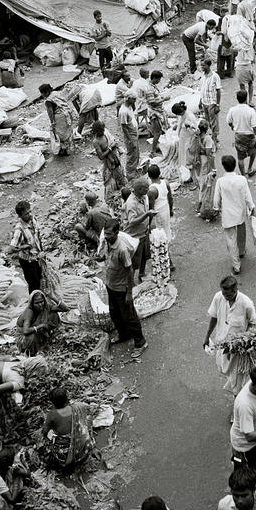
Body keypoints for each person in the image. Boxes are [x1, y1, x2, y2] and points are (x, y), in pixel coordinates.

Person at [0, 355, 48, 446]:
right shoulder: (19, 382)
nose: (36, 378)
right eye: (36, 375)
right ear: (32, 371)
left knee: (5, 401)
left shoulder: (20, 362)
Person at [204, 275, 256, 396]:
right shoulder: (219, 297)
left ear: (235, 290)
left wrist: (243, 341)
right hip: (222, 344)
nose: (225, 298)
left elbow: (253, 323)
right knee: (225, 369)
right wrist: (207, 336)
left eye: (228, 295)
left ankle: (238, 399)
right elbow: (214, 317)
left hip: (238, 350)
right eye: (223, 294)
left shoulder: (246, 304)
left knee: (237, 378)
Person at [101, 221, 148, 352]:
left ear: (116, 233)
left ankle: (141, 342)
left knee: (129, 316)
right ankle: (124, 335)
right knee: (115, 313)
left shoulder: (122, 249)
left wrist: (129, 292)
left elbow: (129, 270)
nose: (106, 236)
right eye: (105, 233)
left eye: (109, 234)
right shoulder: (109, 244)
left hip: (121, 289)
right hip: (111, 286)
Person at [214, 154, 256, 274]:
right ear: (234, 165)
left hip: (228, 215)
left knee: (231, 240)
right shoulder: (242, 179)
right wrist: (251, 207)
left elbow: (216, 199)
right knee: (242, 231)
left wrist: (216, 208)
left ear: (223, 166)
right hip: (240, 211)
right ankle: (242, 250)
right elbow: (248, 196)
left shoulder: (220, 181)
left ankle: (236, 265)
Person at [40, 385, 95, 472]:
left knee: (43, 443)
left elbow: (44, 432)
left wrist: (47, 439)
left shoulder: (52, 415)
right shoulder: (77, 407)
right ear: (67, 399)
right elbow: (89, 412)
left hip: (65, 457)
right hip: (84, 449)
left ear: (53, 403)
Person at [4, 201, 45, 294]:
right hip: (28, 262)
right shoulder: (19, 228)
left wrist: (42, 251)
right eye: (26, 214)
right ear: (20, 216)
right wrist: (25, 246)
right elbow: (11, 248)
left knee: (40, 280)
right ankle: (34, 303)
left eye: (30, 212)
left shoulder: (33, 219)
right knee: (33, 285)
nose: (30, 215)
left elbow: (38, 237)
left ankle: (40, 300)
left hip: (37, 257)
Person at [227, 89, 256, 178]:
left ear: (237, 99)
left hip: (239, 136)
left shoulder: (232, 110)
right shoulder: (251, 111)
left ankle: (243, 176)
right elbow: (255, 127)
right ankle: (250, 169)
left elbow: (229, 121)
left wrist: (232, 126)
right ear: (246, 99)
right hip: (250, 136)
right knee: (253, 152)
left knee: (240, 157)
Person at [92, 120, 127, 203]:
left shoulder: (106, 133)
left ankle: (123, 196)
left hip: (115, 160)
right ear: (96, 131)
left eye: (103, 130)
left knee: (121, 179)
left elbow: (113, 141)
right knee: (109, 184)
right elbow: (101, 156)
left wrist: (115, 145)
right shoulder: (96, 142)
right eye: (100, 131)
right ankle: (110, 201)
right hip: (108, 165)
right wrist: (110, 148)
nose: (103, 132)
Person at [15, 289, 58, 356]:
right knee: (33, 336)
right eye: (36, 303)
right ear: (32, 303)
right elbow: (25, 331)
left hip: (35, 332)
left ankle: (47, 340)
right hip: (23, 338)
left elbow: (65, 308)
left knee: (54, 313)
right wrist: (42, 325)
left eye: (41, 301)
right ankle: (31, 352)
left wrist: (52, 297)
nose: (40, 305)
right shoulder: (29, 312)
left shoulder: (45, 307)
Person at [40, 84, 78, 156]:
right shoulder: (55, 93)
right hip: (67, 114)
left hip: (59, 117)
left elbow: (50, 113)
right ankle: (68, 149)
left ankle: (63, 150)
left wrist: (52, 122)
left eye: (42, 93)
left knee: (59, 134)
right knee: (67, 131)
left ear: (46, 92)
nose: (42, 95)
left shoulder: (48, 101)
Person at [147, 162, 173, 244]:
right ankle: (167, 245)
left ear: (149, 176)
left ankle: (163, 251)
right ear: (159, 173)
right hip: (166, 208)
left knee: (159, 233)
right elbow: (170, 198)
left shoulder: (152, 190)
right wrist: (171, 209)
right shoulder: (165, 182)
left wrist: (148, 223)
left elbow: (151, 208)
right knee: (166, 228)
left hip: (158, 213)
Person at [198, 58, 222, 143]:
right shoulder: (203, 77)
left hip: (212, 103)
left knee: (214, 123)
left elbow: (218, 91)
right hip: (204, 102)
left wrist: (217, 105)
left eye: (203, 65)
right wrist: (200, 101)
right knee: (207, 122)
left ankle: (214, 139)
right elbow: (202, 89)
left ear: (208, 65)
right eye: (201, 65)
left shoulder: (215, 76)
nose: (202, 67)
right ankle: (209, 138)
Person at [118, 93, 141, 180]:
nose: (135, 101)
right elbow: (124, 127)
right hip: (130, 136)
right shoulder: (123, 111)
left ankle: (133, 171)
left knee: (136, 153)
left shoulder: (129, 107)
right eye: (133, 99)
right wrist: (130, 140)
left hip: (134, 133)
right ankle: (130, 174)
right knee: (132, 154)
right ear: (128, 99)